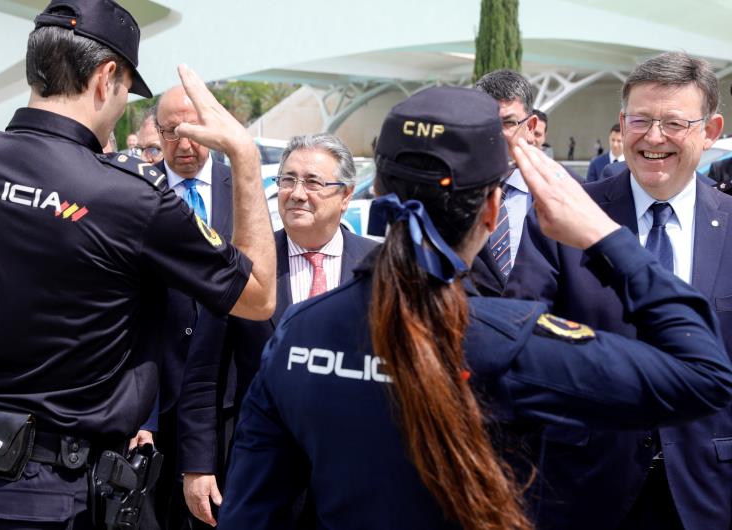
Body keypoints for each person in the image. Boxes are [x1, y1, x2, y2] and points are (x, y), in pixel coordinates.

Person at [216, 86, 732, 530]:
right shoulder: (506, 342)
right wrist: (604, 236)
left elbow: (251, 514)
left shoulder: (298, 334)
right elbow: (703, 373)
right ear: (491, 209)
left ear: (377, 191)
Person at [0, 1, 276, 528]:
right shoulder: (129, 200)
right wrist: (246, 160)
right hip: (52, 492)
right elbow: (258, 297)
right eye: (124, 93)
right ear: (106, 77)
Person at [506, 51, 732, 530]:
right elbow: (520, 338)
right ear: (622, 122)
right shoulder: (566, 214)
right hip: (585, 484)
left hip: (707, 490)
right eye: (640, 120)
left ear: (710, 132)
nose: (653, 138)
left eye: (673, 123)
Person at [179, 133, 379, 527]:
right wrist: (197, 467)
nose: (296, 193)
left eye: (313, 182)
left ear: (346, 195)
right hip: (265, 475)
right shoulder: (243, 267)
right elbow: (204, 373)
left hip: (357, 474)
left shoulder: (379, 267)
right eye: (287, 180)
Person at [130, 84, 238, 530]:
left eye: (194, 129)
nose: (185, 143)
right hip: (150, 403)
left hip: (225, 399)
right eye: (171, 131)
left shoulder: (248, 192)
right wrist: (141, 412)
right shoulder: (136, 193)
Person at [470, 69, 537, 293]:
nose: (496, 134)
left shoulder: (565, 191)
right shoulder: (452, 190)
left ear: (531, 126)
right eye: (487, 123)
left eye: (508, 123)